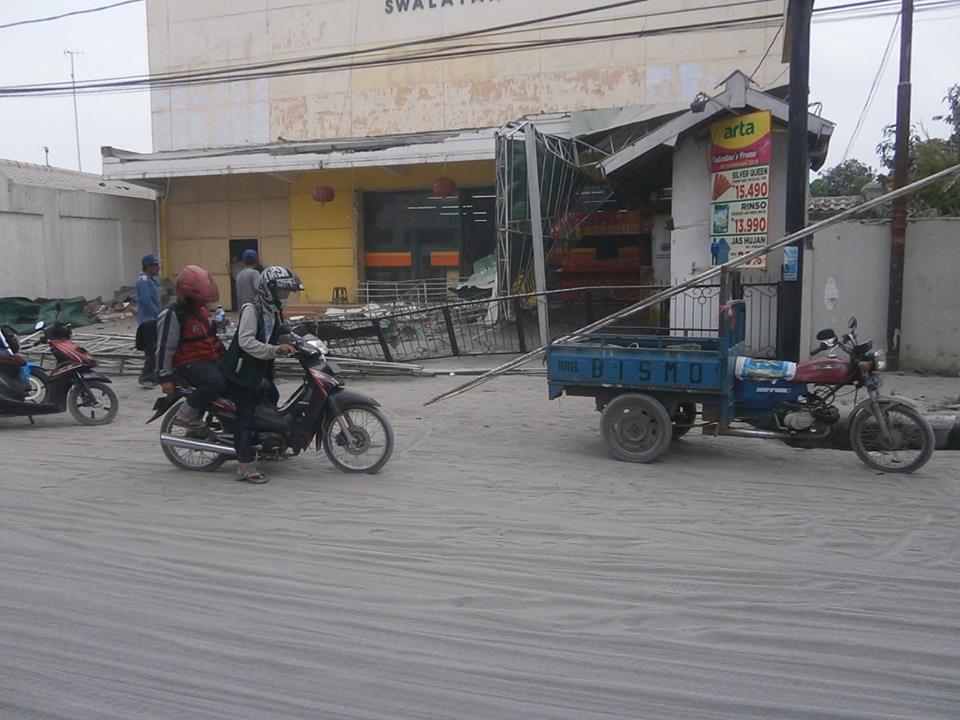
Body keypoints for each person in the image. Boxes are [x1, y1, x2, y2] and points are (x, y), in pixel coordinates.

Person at [220, 266, 302, 484]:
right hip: (242, 371)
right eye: (284, 292)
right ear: (270, 289)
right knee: (245, 415)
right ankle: (245, 463)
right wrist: (274, 350)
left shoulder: (272, 308)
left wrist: (298, 338)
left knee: (271, 399)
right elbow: (246, 341)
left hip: (260, 368)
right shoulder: (251, 308)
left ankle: (266, 445)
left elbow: (279, 330)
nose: (286, 296)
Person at [155, 265, 226, 428]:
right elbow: (165, 347)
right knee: (215, 382)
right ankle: (185, 414)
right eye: (199, 299)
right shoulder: (173, 314)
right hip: (189, 362)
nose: (203, 302)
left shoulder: (201, 309)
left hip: (210, 358)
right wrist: (164, 377)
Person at [136, 253, 162, 385]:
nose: (158, 268)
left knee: (156, 349)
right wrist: (158, 315)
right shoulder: (143, 281)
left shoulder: (150, 280)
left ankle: (154, 375)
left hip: (153, 320)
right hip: (148, 321)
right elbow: (146, 301)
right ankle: (146, 377)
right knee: (151, 350)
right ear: (148, 266)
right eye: (156, 265)